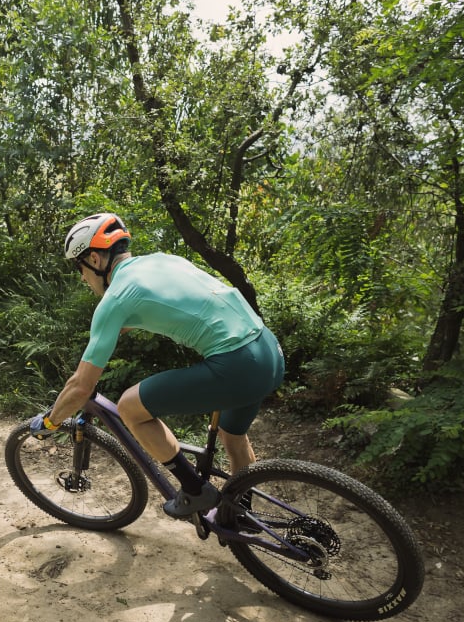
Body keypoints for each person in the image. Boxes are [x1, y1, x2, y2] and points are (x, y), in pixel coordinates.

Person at [29, 212, 285, 518]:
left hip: (238, 365)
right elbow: (182, 301)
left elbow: (81, 387)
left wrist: (50, 422)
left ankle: (193, 490)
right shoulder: (163, 260)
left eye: (79, 267)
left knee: (129, 407)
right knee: (233, 436)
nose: (82, 277)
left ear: (96, 260)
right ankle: (239, 514)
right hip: (268, 350)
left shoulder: (116, 299)